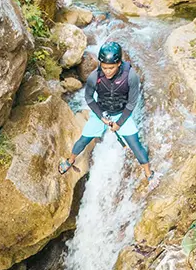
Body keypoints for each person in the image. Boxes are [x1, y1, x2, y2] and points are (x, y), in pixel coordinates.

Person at [59, 41, 153, 181]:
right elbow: (89, 98)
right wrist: (102, 117)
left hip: (122, 113)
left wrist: (119, 123)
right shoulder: (94, 77)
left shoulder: (131, 76)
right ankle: (70, 160)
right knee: (84, 139)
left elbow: (132, 102)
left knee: (135, 145)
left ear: (119, 63)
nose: (107, 71)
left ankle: (148, 172)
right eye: (104, 67)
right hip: (101, 111)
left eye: (111, 68)